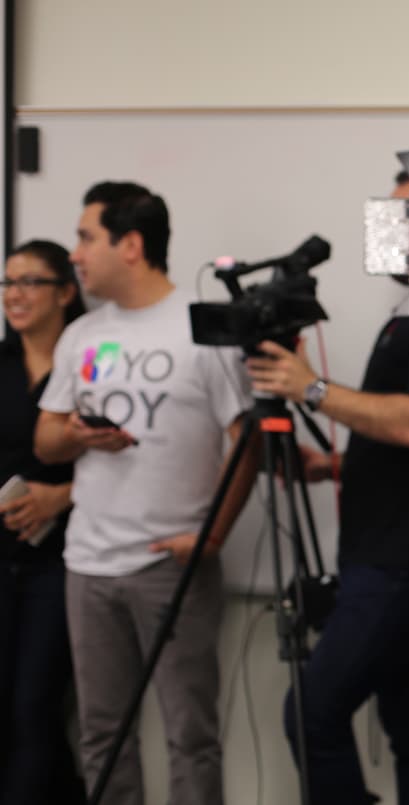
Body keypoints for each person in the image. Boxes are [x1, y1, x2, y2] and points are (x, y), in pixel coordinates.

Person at [246, 258, 409, 803]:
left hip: (406, 561)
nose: (391, 231)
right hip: (394, 555)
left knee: (312, 712)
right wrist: (336, 467)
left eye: (407, 218)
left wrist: (311, 388)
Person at [34, 182, 256, 805]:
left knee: (191, 736)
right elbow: (46, 440)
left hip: (169, 564)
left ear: (130, 245)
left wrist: (213, 534)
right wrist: (75, 435)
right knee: (102, 734)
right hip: (87, 563)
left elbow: (247, 442)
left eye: (86, 238)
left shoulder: (202, 329)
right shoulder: (82, 335)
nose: (75, 254)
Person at [0, 240, 86, 804]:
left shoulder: (91, 363)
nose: (15, 294)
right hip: (1, 556)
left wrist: (61, 497)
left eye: (30, 281)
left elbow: (129, 454)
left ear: (65, 292)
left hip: (64, 561)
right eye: (8, 283)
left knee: (36, 706)